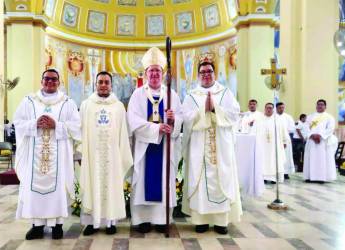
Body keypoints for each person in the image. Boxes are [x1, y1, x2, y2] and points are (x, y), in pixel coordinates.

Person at [13, 69, 81, 240]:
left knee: (58, 188)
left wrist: (56, 125)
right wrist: (35, 123)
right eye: (47, 79)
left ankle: (57, 225)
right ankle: (37, 226)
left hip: (59, 156)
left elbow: (76, 127)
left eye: (54, 79)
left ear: (59, 82)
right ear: (42, 80)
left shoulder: (68, 103)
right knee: (34, 190)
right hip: (33, 155)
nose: (50, 82)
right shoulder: (29, 101)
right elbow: (18, 123)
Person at [181, 61, 242, 234]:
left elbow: (234, 114)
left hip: (221, 146)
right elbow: (185, 118)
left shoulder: (225, 93)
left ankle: (221, 222)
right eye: (202, 72)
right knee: (199, 179)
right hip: (199, 147)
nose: (206, 74)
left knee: (222, 177)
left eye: (209, 71)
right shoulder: (191, 95)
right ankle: (201, 220)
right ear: (198, 75)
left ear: (214, 74)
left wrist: (215, 108)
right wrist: (202, 110)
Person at [127, 47, 183, 233]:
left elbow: (180, 117)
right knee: (143, 179)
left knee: (164, 179)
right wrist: (157, 128)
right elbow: (133, 120)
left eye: (158, 71)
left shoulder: (172, 94)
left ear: (163, 73)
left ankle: (161, 220)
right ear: (145, 73)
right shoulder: (138, 94)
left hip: (165, 148)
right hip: (145, 147)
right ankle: (142, 219)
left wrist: (173, 121)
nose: (154, 75)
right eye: (151, 71)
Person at [79, 71, 133, 236]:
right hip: (92, 155)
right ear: (95, 84)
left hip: (113, 156)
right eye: (100, 82)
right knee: (91, 184)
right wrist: (81, 152)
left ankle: (110, 222)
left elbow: (124, 133)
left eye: (106, 82)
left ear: (111, 85)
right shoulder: (86, 105)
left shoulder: (118, 107)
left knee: (111, 186)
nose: (103, 85)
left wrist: (122, 153)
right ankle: (90, 223)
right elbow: (80, 130)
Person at [303, 99, 337, 183]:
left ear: (325, 106)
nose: (320, 106)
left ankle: (321, 177)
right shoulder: (310, 116)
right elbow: (306, 128)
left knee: (322, 159)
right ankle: (309, 176)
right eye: (318, 104)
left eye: (322, 104)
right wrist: (312, 135)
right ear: (316, 106)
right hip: (311, 141)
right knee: (310, 158)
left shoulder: (329, 117)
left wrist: (320, 135)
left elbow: (330, 129)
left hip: (322, 141)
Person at [256, 103, 290, 184]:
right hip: (263, 145)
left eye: (270, 108)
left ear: (273, 109)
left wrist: (284, 141)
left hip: (275, 145)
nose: (269, 109)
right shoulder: (260, 119)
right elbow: (255, 131)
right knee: (263, 160)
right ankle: (263, 177)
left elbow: (284, 130)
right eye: (267, 108)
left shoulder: (277, 119)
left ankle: (273, 178)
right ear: (264, 109)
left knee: (274, 160)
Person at [276, 102, 295, 179]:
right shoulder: (273, 116)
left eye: (283, 107)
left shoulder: (288, 117)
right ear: (276, 108)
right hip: (276, 139)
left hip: (286, 138)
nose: (281, 109)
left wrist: (284, 131)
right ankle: (277, 172)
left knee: (286, 156)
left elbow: (292, 128)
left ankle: (286, 172)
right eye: (280, 108)